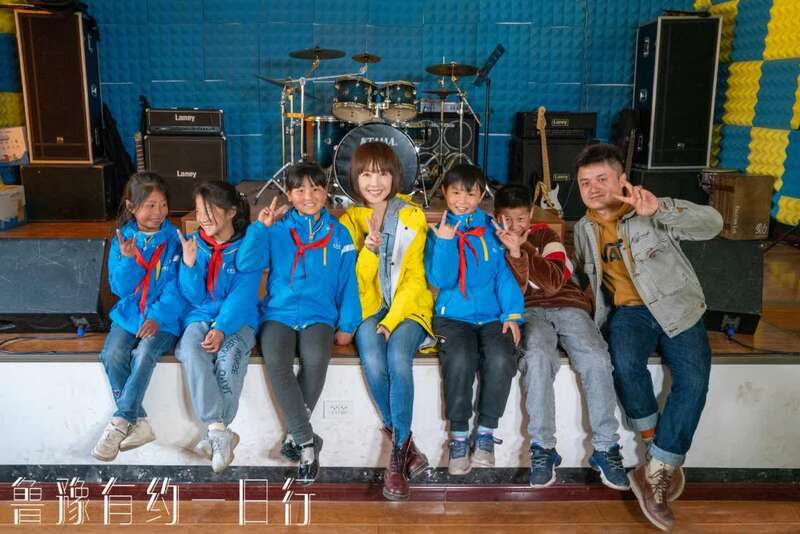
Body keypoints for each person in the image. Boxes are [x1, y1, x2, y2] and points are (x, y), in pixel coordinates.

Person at [573, 143, 723, 531]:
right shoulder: (583, 228)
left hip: (678, 307)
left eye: (602, 179)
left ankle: (657, 471)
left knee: (694, 382)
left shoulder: (649, 207)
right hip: (629, 313)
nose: (593, 188)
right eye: (585, 182)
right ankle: (656, 444)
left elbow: (713, 224)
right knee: (623, 365)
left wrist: (661, 210)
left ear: (622, 179)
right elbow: (587, 277)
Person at [493, 184, 628, 490]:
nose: (514, 227)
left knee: (595, 357)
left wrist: (523, 249)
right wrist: (512, 252)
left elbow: (554, 281)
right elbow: (513, 290)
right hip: (528, 312)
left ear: (530, 215)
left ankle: (606, 447)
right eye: (506, 219)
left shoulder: (545, 236)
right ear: (496, 217)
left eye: (521, 219)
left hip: (568, 305)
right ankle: (543, 448)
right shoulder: (492, 242)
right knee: (537, 358)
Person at [237, 161, 361, 485]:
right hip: (278, 313)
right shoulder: (276, 230)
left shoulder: (340, 233)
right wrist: (260, 229)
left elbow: (349, 281)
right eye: (300, 189)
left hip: (320, 315)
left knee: (316, 359)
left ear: (326, 192)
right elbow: (246, 263)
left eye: (316, 189)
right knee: (277, 362)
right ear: (289, 195)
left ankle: (295, 436)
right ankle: (307, 442)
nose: (309, 196)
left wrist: (348, 323)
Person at [338, 142, 435, 500]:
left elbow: (414, 278)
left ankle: (395, 461)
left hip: (408, 309)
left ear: (395, 176)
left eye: (382, 173)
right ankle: (407, 446)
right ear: (355, 178)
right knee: (373, 360)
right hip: (369, 308)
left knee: (397, 356)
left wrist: (392, 321)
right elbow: (354, 282)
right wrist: (369, 250)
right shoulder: (349, 221)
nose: (374, 182)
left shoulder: (411, 215)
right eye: (366, 174)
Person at [424, 163, 524, 476]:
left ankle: (485, 433)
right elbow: (441, 279)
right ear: (444, 193)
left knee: (501, 357)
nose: (463, 200)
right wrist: (445, 243)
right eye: (456, 193)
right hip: (453, 316)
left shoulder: (493, 228)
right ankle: (458, 436)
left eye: (470, 194)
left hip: (493, 315)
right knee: (460, 359)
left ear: (481, 196)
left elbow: (504, 275)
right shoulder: (438, 231)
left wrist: (512, 314)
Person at [92, 172, 185, 461]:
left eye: (163, 205)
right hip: (130, 314)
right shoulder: (123, 239)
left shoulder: (176, 239)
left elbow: (178, 286)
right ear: (132, 207)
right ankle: (139, 421)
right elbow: (120, 288)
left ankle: (121, 421)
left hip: (164, 319)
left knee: (144, 353)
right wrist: (129, 260)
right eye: (150, 205)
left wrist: (156, 317)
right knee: (112, 355)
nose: (158, 212)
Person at [175, 182, 260, 474]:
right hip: (199, 315)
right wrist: (189, 265)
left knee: (228, 357)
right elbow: (194, 297)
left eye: (210, 210)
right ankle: (218, 430)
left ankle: (217, 431)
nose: (203, 218)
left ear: (231, 212)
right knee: (190, 350)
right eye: (199, 211)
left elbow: (243, 294)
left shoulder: (247, 246)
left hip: (239, 319)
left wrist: (222, 328)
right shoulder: (194, 244)